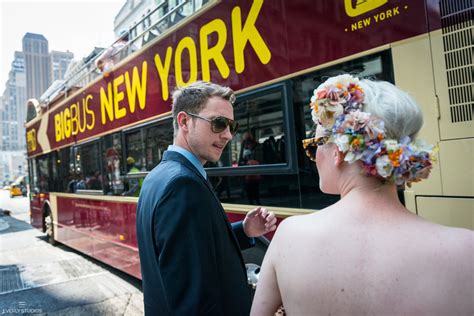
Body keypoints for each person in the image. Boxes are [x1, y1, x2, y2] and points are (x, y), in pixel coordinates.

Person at [251, 74, 474, 315]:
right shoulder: (464, 249)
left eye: (314, 146)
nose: (314, 157)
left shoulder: (289, 236)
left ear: (337, 151)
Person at [136, 80, 277, 315]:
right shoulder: (183, 184)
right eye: (218, 124)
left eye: (232, 126)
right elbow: (194, 300)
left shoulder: (158, 176)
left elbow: (195, 247)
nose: (228, 135)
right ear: (184, 122)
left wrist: (245, 230)